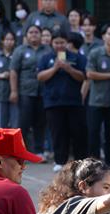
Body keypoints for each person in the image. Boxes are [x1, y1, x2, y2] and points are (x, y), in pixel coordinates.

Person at [37, 31, 88, 172]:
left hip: (74, 102)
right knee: (58, 133)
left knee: (78, 133)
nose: (59, 45)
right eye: (56, 43)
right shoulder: (46, 58)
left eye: (62, 42)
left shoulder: (78, 58)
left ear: (67, 43)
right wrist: (55, 68)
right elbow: (40, 77)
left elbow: (83, 76)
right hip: (53, 102)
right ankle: (60, 161)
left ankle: (81, 162)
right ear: (52, 43)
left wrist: (68, 68)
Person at [10, 24, 51, 157]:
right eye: (31, 32)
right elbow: (14, 72)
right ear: (26, 35)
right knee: (24, 123)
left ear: (41, 35)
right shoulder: (20, 50)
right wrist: (14, 91)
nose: (34, 35)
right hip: (25, 91)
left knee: (41, 122)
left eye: (36, 32)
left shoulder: (48, 50)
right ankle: (22, 152)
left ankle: (39, 151)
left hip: (43, 91)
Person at [86, 24, 110, 166]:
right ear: (103, 36)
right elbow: (90, 74)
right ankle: (93, 164)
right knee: (94, 133)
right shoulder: (95, 53)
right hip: (96, 100)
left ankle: (109, 163)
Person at [0, 30, 19, 128]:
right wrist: (2, 75)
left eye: (12, 39)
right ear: (2, 41)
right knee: (1, 125)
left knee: (15, 125)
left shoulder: (17, 54)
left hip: (15, 93)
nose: (9, 41)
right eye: (7, 39)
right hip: (0, 93)